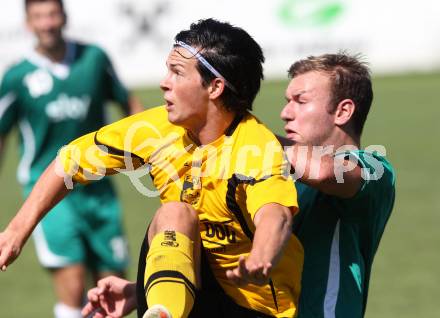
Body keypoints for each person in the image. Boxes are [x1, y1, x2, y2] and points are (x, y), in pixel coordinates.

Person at [0, 19, 304, 318]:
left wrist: (261, 258)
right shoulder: (157, 128)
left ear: (214, 87)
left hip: (254, 308)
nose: (164, 82)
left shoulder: (255, 146)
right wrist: (15, 232)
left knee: (176, 213)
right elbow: (70, 162)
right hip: (187, 299)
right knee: (175, 214)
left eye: (177, 72)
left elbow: (274, 214)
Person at [0, 0, 143, 317]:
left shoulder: (94, 59)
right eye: (38, 16)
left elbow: (129, 103)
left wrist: (152, 143)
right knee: (74, 283)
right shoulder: (16, 77)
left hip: (99, 191)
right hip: (50, 195)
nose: (47, 23)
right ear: (27, 23)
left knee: (111, 284)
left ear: (64, 16)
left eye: (52, 14)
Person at [280, 53, 396, 318]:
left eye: (300, 101)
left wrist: (247, 135)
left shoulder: (374, 169)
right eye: (287, 101)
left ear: (343, 111)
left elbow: (324, 172)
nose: (285, 113)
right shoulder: (280, 171)